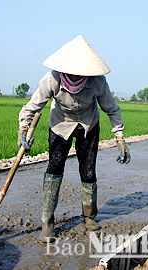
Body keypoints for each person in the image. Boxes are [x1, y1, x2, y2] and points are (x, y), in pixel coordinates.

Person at [17, 35, 131, 243]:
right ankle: (47, 222)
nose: (75, 75)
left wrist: (120, 137)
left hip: (88, 125)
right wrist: (23, 127)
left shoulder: (97, 82)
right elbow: (33, 106)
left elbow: (112, 110)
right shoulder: (52, 79)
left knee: (88, 170)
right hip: (60, 125)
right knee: (54, 168)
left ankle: (89, 216)